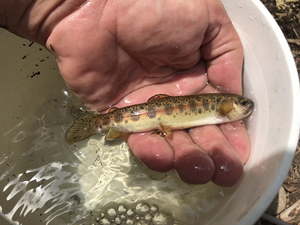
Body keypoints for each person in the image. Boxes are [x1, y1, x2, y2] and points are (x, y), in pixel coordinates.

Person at [0, 0, 250, 186]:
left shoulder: (222, 105)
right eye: (242, 104)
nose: (245, 107)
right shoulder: (224, 106)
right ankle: (97, 123)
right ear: (229, 106)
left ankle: (98, 123)